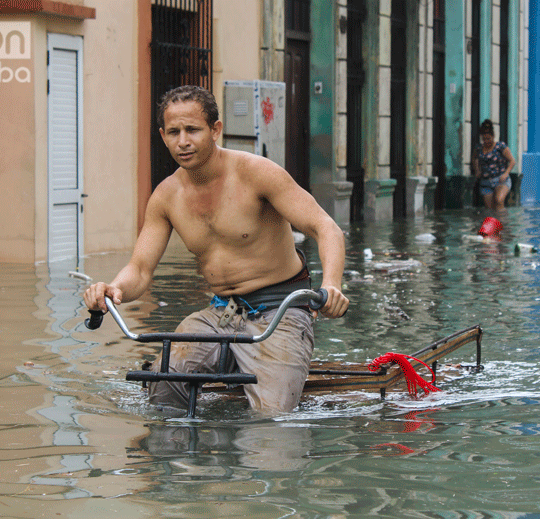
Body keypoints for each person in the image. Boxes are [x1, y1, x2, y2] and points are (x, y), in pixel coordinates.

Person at [83, 85, 349, 413]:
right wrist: (113, 289)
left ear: (215, 130)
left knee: (271, 420)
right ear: (163, 135)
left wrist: (332, 284)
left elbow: (327, 228)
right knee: (162, 391)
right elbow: (139, 269)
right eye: (174, 132)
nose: (183, 141)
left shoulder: (257, 173)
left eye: (193, 130)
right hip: (219, 313)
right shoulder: (166, 196)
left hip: (280, 312)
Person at [471, 119, 516, 211]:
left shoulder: (500, 146)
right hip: (486, 182)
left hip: (500, 180)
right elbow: (474, 158)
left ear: (493, 136)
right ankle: (494, 224)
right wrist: (477, 170)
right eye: (484, 139)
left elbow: (512, 161)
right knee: (489, 210)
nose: (486, 141)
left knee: (499, 201)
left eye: (488, 139)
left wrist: (506, 173)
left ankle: (504, 224)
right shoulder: (479, 148)